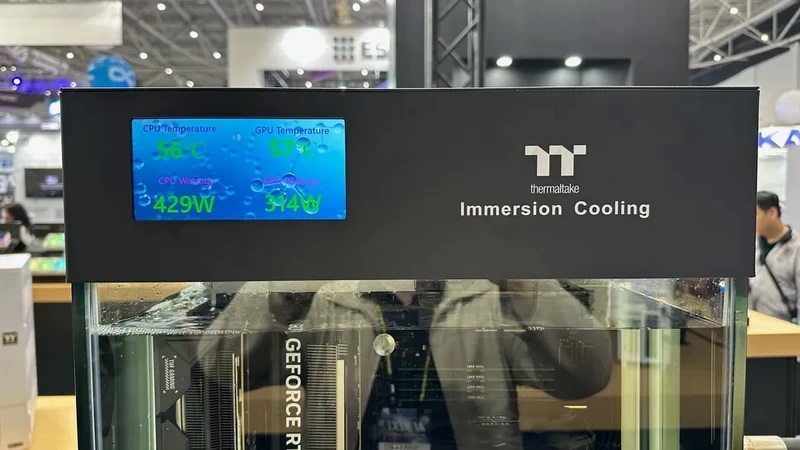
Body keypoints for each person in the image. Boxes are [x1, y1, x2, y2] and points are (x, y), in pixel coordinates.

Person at [200, 279, 614, 450]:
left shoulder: (486, 294)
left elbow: (588, 376)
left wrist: (524, 282)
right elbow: (219, 366)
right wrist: (282, 291)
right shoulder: (328, 295)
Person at [750, 191, 800, 322]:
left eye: (755, 214)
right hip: (753, 324)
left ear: (772, 212)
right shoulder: (753, 244)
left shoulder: (796, 247)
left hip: (783, 327)